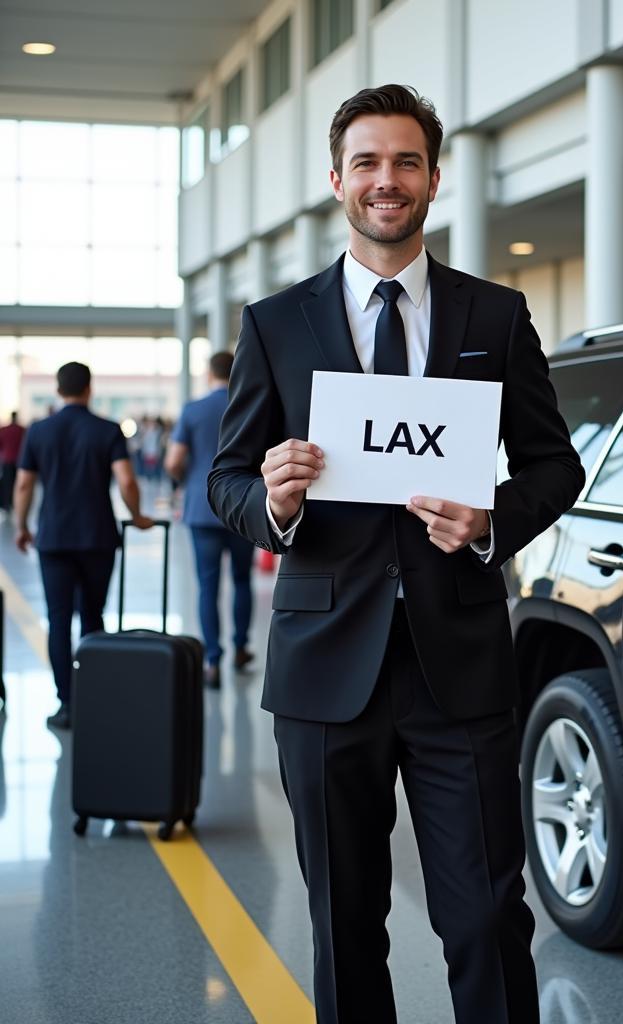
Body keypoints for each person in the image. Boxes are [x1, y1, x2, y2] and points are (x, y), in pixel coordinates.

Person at [208, 84, 584, 1024]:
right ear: (337, 181)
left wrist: (489, 522)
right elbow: (225, 482)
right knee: (343, 922)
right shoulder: (276, 323)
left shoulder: (493, 317)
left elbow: (554, 464)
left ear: (433, 178)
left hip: (459, 665)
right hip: (324, 668)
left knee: (491, 915)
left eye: (407, 162)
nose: (388, 180)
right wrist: (278, 501)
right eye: (368, 163)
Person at [13, 362, 152, 729]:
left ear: (59, 390)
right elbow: (127, 480)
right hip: (97, 537)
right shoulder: (106, 430)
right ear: (89, 389)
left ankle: (67, 704)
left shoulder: (39, 431)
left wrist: (22, 525)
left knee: (58, 621)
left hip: (54, 538)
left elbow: (25, 485)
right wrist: (137, 515)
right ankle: (94, 697)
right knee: (93, 617)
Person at [164, 350, 254, 689]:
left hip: (202, 508)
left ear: (208, 373)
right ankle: (242, 647)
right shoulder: (247, 404)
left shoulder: (193, 409)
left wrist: (187, 479)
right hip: (243, 507)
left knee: (208, 586)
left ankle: (212, 661)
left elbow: (174, 461)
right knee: (242, 580)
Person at [0, 411, 26, 514]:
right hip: (20, 461)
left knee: (7, 483)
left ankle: (7, 504)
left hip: (7, 460)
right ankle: (16, 503)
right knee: (18, 483)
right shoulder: (22, 430)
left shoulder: (4, 430)